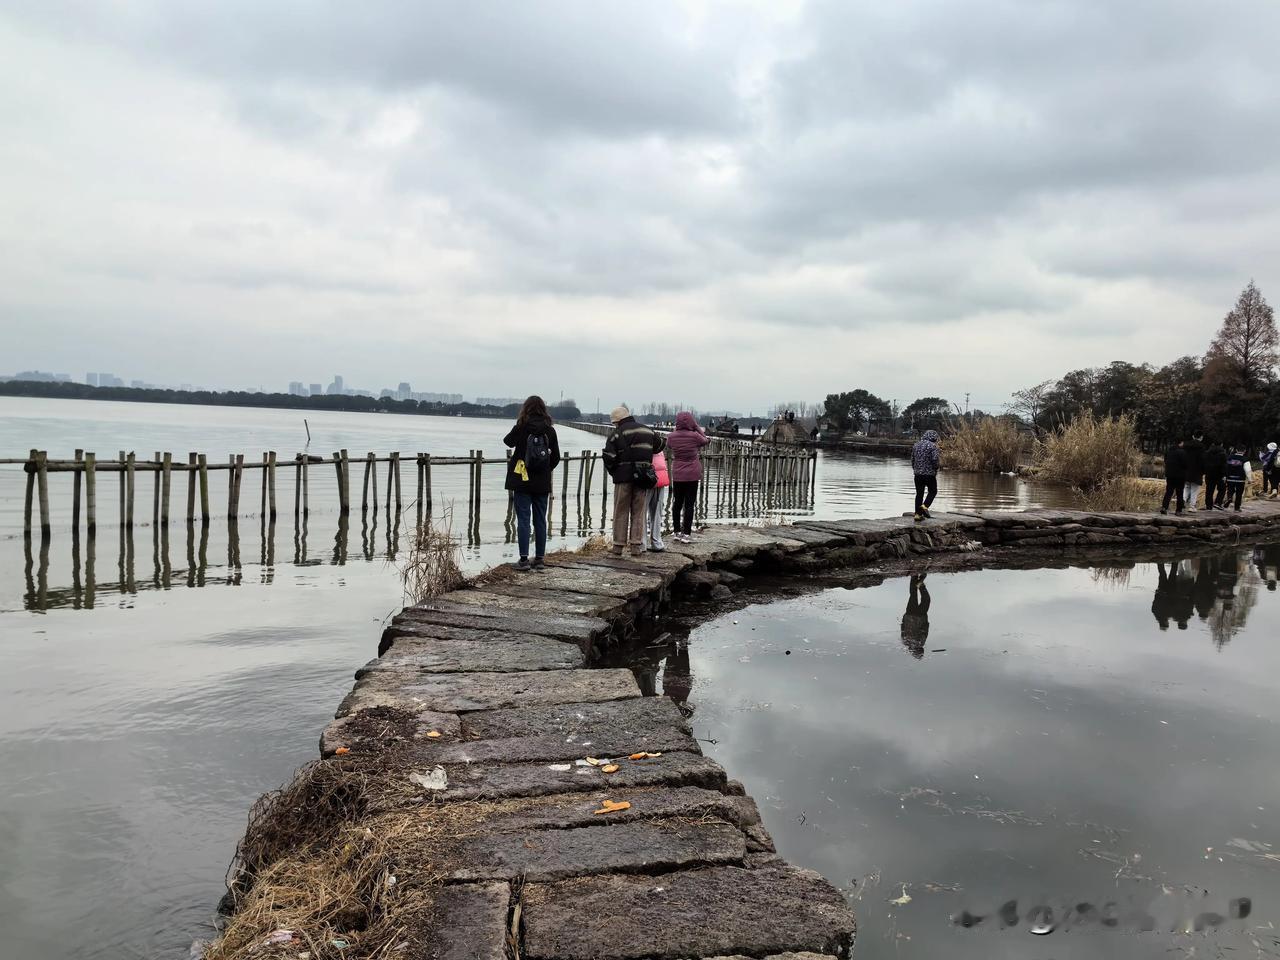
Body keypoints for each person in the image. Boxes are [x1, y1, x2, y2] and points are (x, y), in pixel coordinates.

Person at [502, 395, 561, 571]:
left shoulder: (521, 427)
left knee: (523, 520)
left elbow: (507, 441)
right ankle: (540, 560)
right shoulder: (550, 430)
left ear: (526, 409)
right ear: (544, 409)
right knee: (540, 520)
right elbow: (556, 458)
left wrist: (519, 426)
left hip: (522, 480)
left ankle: (523, 560)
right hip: (541, 483)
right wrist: (544, 469)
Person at [602, 405, 664, 556]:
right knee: (638, 511)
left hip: (623, 479)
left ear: (618, 421)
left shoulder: (616, 434)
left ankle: (618, 546)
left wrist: (615, 472)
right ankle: (636, 546)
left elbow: (608, 457)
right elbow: (660, 445)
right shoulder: (647, 430)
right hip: (642, 477)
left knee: (620, 511)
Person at [666, 411, 711, 543]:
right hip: (692, 474)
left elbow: (669, 445)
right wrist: (696, 427)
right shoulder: (695, 436)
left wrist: (677, 430)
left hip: (678, 474)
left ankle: (676, 532)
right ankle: (686, 534)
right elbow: (706, 440)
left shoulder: (671, 437)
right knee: (689, 504)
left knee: (677, 503)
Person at [911, 429, 941, 521]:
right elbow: (935, 460)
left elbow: (912, 459)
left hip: (918, 474)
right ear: (933, 437)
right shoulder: (933, 446)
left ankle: (917, 515)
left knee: (919, 494)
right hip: (929, 474)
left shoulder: (916, 445)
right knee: (933, 491)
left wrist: (915, 469)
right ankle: (924, 507)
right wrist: (936, 468)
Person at [644, 449, 670, 552]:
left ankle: (642, 543)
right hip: (660, 477)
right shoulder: (658, 442)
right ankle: (657, 542)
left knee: (641, 512)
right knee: (657, 512)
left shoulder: (642, 440)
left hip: (647, 478)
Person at [900, 572, 931, 658]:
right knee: (913, 595)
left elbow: (924, 629)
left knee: (926, 599)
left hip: (920, 616)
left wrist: (926, 621)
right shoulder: (905, 642)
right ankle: (914, 576)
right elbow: (902, 627)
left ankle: (920, 584)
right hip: (909, 615)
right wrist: (905, 617)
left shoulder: (920, 642)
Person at [1161, 439, 1187, 515]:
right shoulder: (1182, 452)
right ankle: (1178, 510)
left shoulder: (1168, 451)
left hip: (1169, 475)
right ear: (1181, 443)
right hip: (1180, 475)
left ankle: (1164, 507)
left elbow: (1165, 461)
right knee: (1179, 493)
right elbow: (1185, 464)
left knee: (1168, 491)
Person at [1223, 445, 1252, 512]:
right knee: (1239, 493)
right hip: (1240, 479)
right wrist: (1249, 479)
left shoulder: (1230, 457)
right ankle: (1237, 508)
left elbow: (1226, 467)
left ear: (1236, 450)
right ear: (1244, 451)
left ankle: (1229, 497)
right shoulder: (1245, 459)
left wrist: (1225, 476)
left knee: (1230, 490)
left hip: (1230, 478)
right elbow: (1248, 470)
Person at [1182, 433, 1205, 512]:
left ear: (1193, 436)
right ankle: (1192, 506)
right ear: (1201, 437)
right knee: (1194, 490)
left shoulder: (1186, 446)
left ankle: (1183, 501)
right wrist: (1204, 471)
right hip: (1197, 471)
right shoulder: (1201, 447)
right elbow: (1202, 461)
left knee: (1186, 487)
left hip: (1186, 470)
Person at [1203, 438, 1227, 509]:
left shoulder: (1207, 453)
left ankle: (1208, 505)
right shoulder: (1223, 453)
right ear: (1221, 444)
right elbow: (1224, 465)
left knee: (1209, 490)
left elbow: (1204, 463)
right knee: (1222, 489)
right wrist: (1224, 474)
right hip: (1219, 474)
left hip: (1209, 474)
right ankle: (1218, 502)